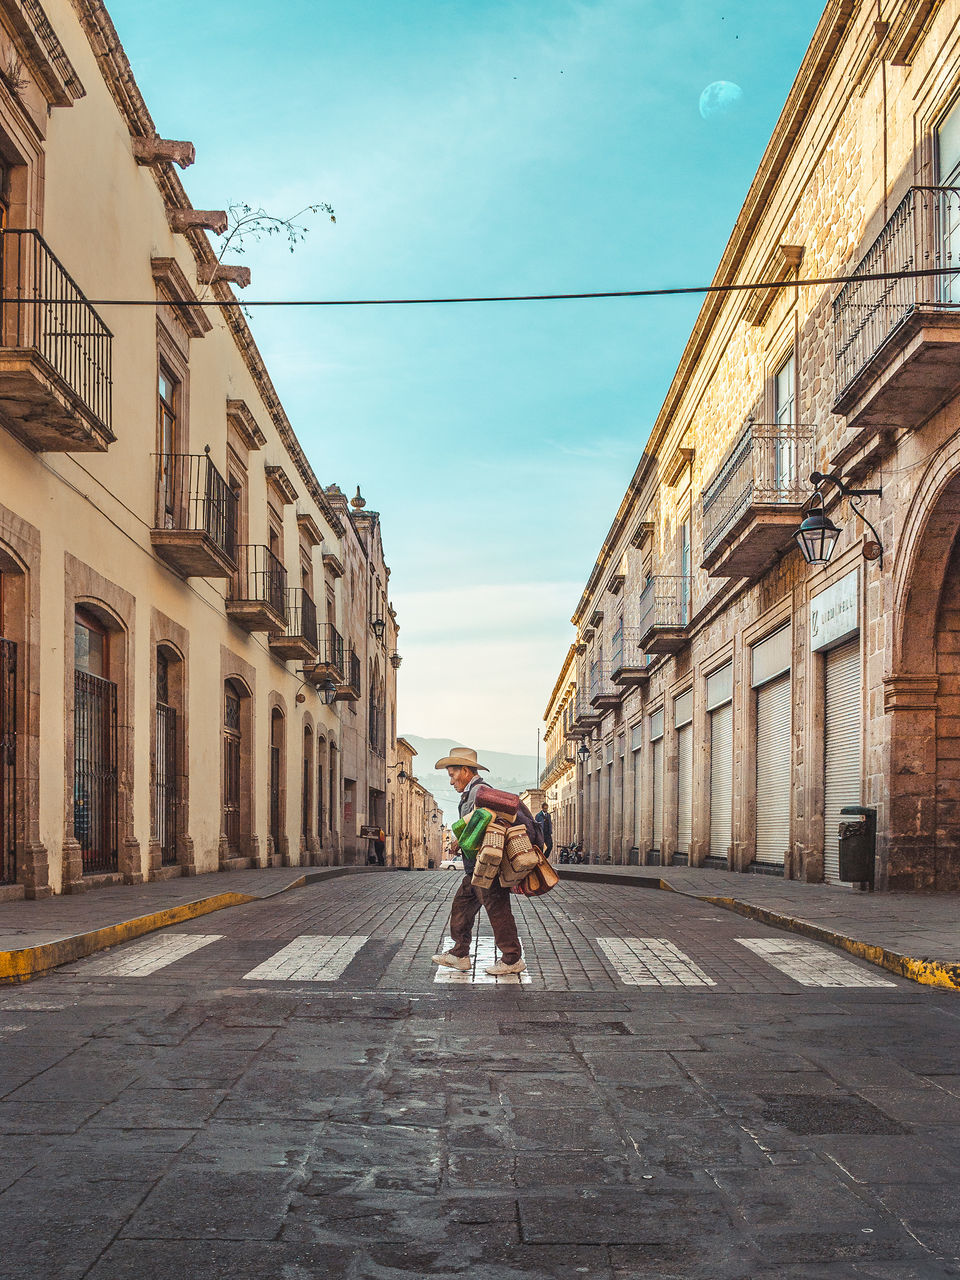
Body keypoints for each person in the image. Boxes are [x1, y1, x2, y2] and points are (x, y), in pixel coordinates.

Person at [430, 746, 542, 977]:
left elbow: (486, 827)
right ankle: (459, 954)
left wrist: (460, 841)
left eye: (452, 775)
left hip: (488, 868)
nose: (451, 781)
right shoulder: (473, 793)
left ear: (465, 770)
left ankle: (512, 959)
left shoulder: (480, 791)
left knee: (497, 910)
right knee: (461, 907)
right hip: (476, 869)